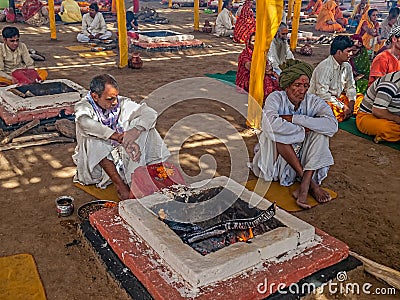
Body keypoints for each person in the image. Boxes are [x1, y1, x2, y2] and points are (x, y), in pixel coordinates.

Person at [250, 59, 338, 209]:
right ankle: (309, 183)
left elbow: (332, 126)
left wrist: (295, 119)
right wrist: (303, 130)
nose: (302, 90)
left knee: (321, 134)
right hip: (275, 159)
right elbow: (269, 124)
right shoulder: (276, 98)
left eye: (305, 86)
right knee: (277, 134)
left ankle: (304, 184)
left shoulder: (313, 101)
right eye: (297, 85)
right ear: (287, 85)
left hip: (304, 156)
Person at [73, 74, 170, 200]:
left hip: (123, 158)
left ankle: (151, 174)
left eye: (115, 97)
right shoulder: (83, 107)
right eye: (109, 99)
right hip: (97, 166)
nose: (114, 102)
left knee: (145, 127)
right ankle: (120, 185)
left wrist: (135, 131)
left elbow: (150, 113)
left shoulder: (121, 103)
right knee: (93, 138)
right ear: (95, 96)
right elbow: (84, 122)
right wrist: (117, 136)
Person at [309, 35, 358, 122]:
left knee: (360, 100)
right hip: (322, 100)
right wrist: (343, 106)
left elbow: (350, 87)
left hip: (338, 99)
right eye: (349, 51)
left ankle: (346, 112)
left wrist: (351, 103)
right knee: (329, 110)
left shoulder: (347, 66)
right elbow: (322, 94)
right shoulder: (325, 67)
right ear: (339, 52)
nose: (351, 54)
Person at [356, 71, 400, 143]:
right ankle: (385, 135)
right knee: (387, 128)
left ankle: (386, 136)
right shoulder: (390, 83)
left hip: (391, 116)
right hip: (369, 116)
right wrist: (397, 119)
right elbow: (378, 111)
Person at [236, 32, 280, 101]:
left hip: (261, 73)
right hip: (248, 77)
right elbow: (250, 67)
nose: (256, 43)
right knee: (265, 82)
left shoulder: (261, 52)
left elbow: (268, 65)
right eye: (253, 41)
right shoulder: (245, 54)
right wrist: (266, 71)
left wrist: (271, 71)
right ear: (249, 42)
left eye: (258, 41)